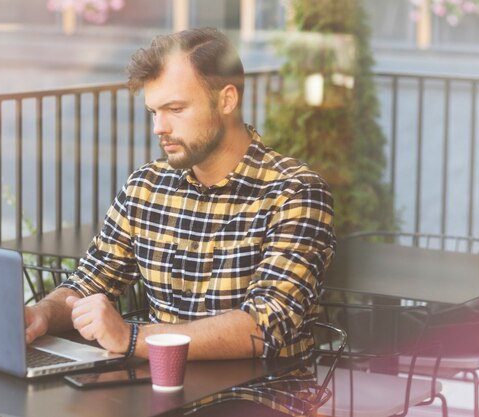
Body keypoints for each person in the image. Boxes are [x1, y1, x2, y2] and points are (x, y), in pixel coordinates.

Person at [25, 27, 336, 362]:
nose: (159, 127)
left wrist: (131, 337)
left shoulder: (295, 192)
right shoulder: (145, 186)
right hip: (157, 393)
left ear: (226, 99)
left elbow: (266, 326)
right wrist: (40, 315)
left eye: (175, 109)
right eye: (154, 112)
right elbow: (90, 281)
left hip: (261, 397)